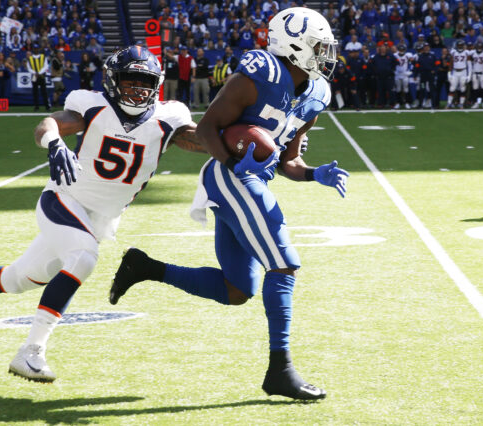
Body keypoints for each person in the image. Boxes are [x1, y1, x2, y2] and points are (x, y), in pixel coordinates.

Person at [0, 46, 203, 383]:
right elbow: (48, 124)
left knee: (17, 279)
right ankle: (31, 352)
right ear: (112, 81)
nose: (137, 89)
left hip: (100, 218)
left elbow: (199, 140)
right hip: (64, 199)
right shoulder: (92, 106)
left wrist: (238, 145)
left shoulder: (170, 117)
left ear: (157, 84)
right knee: (83, 259)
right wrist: (53, 142)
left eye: (144, 82)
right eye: (129, 81)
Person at [109, 8, 348, 401]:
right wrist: (237, 163)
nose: (326, 54)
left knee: (237, 289)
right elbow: (206, 128)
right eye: (318, 46)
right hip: (230, 175)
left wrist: (313, 173)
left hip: (248, 177)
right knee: (284, 264)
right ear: (292, 45)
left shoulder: (317, 93)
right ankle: (280, 371)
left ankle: (144, 267)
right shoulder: (262, 73)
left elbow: (288, 160)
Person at [446, 40, 471, 109]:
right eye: (459, 45)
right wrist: (449, 73)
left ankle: (461, 104)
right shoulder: (453, 52)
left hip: (463, 71)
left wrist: (469, 75)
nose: (460, 46)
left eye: (461, 45)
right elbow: (450, 63)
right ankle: (449, 103)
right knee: (452, 87)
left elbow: (469, 65)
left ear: (463, 46)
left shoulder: (466, 52)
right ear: (457, 45)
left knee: (463, 88)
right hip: (455, 71)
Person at [28, 42, 51, 111]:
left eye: (37, 49)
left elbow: (46, 66)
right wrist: (35, 73)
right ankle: (36, 106)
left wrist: (39, 73)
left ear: (39, 49)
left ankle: (47, 106)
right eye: (35, 49)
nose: (36, 50)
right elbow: (29, 68)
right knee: (35, 92)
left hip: (41, 76)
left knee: (44, 92)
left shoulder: (43, 57)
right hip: (34, 76)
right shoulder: (30, 58)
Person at [393, 43, 415, 109]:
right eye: (400, 49)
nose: (401, 51)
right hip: (397, 74)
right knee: (398, 89)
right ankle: (398, 103)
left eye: (402, 49)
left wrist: (410, 71)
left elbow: (413, 62)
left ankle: (407, 103)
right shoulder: (395, 55)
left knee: (406, 89)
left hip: (405, 74)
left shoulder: (408, 55)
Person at [470, 42, 483, 108]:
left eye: (480, 47)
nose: (479, 48)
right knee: (475, 89)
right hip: (475, 72)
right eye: (478, 47)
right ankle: (476, 103)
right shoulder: (473, 52)